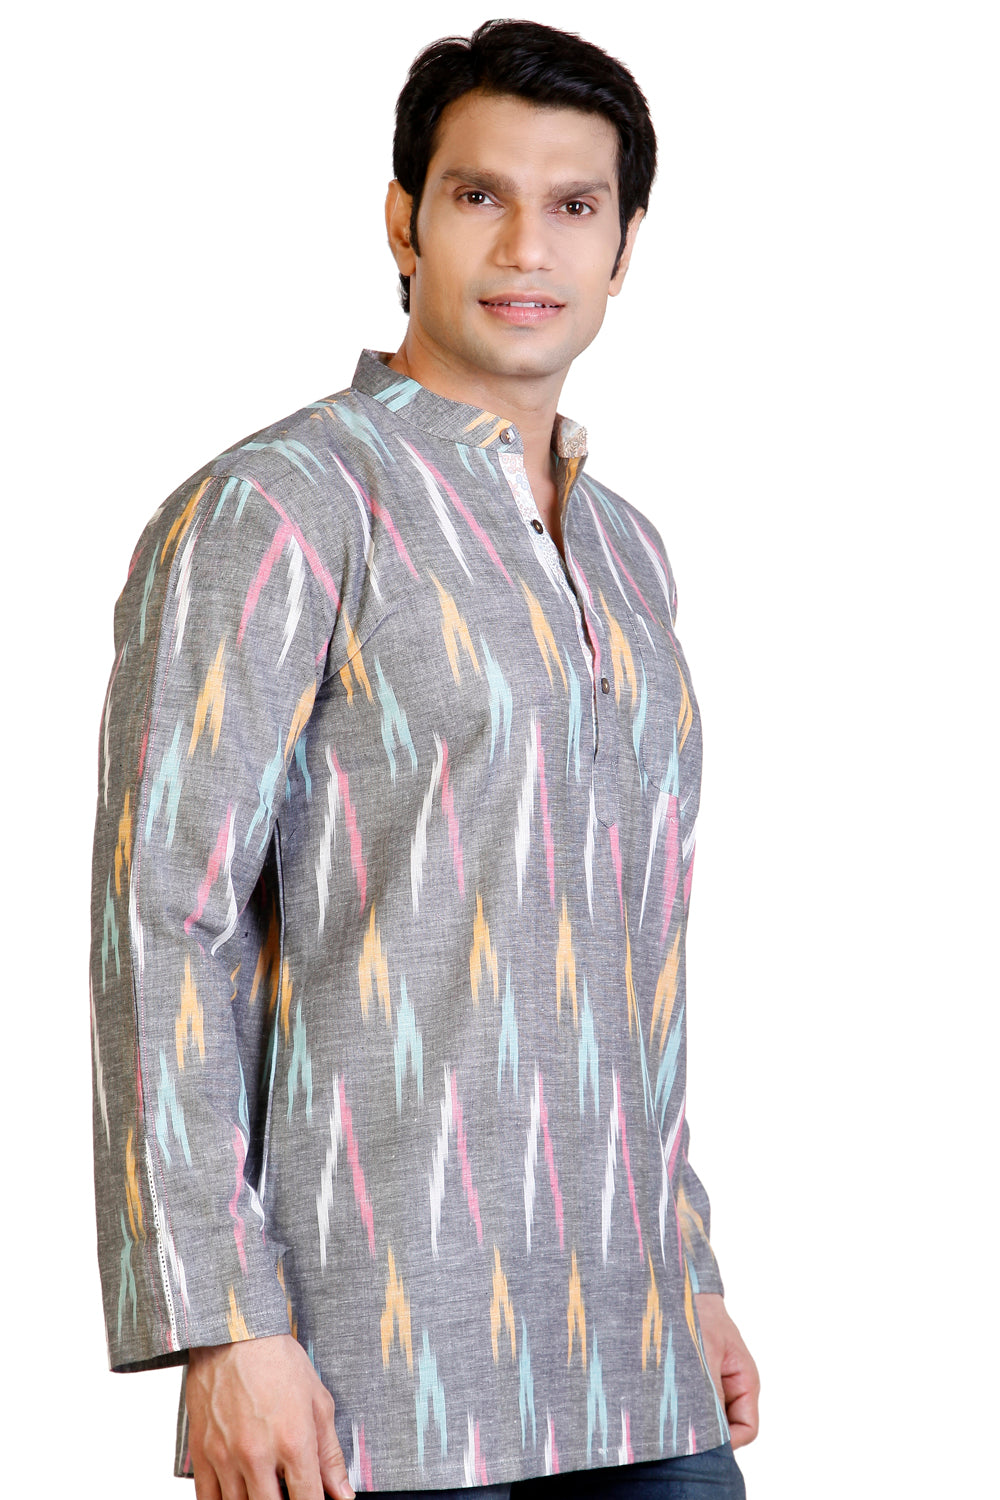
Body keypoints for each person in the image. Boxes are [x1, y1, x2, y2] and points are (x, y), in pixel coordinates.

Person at [90, 19, 759, 1500]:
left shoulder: (629, 550)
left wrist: (690, 1263)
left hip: (634, 1347)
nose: (528, 245)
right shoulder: (282, 504)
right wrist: (222, 1327)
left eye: (574, 205)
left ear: (625, 247)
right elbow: (165, 923)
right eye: (478, 195)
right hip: (368, 1372)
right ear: (404, 222)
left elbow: (634, 947)